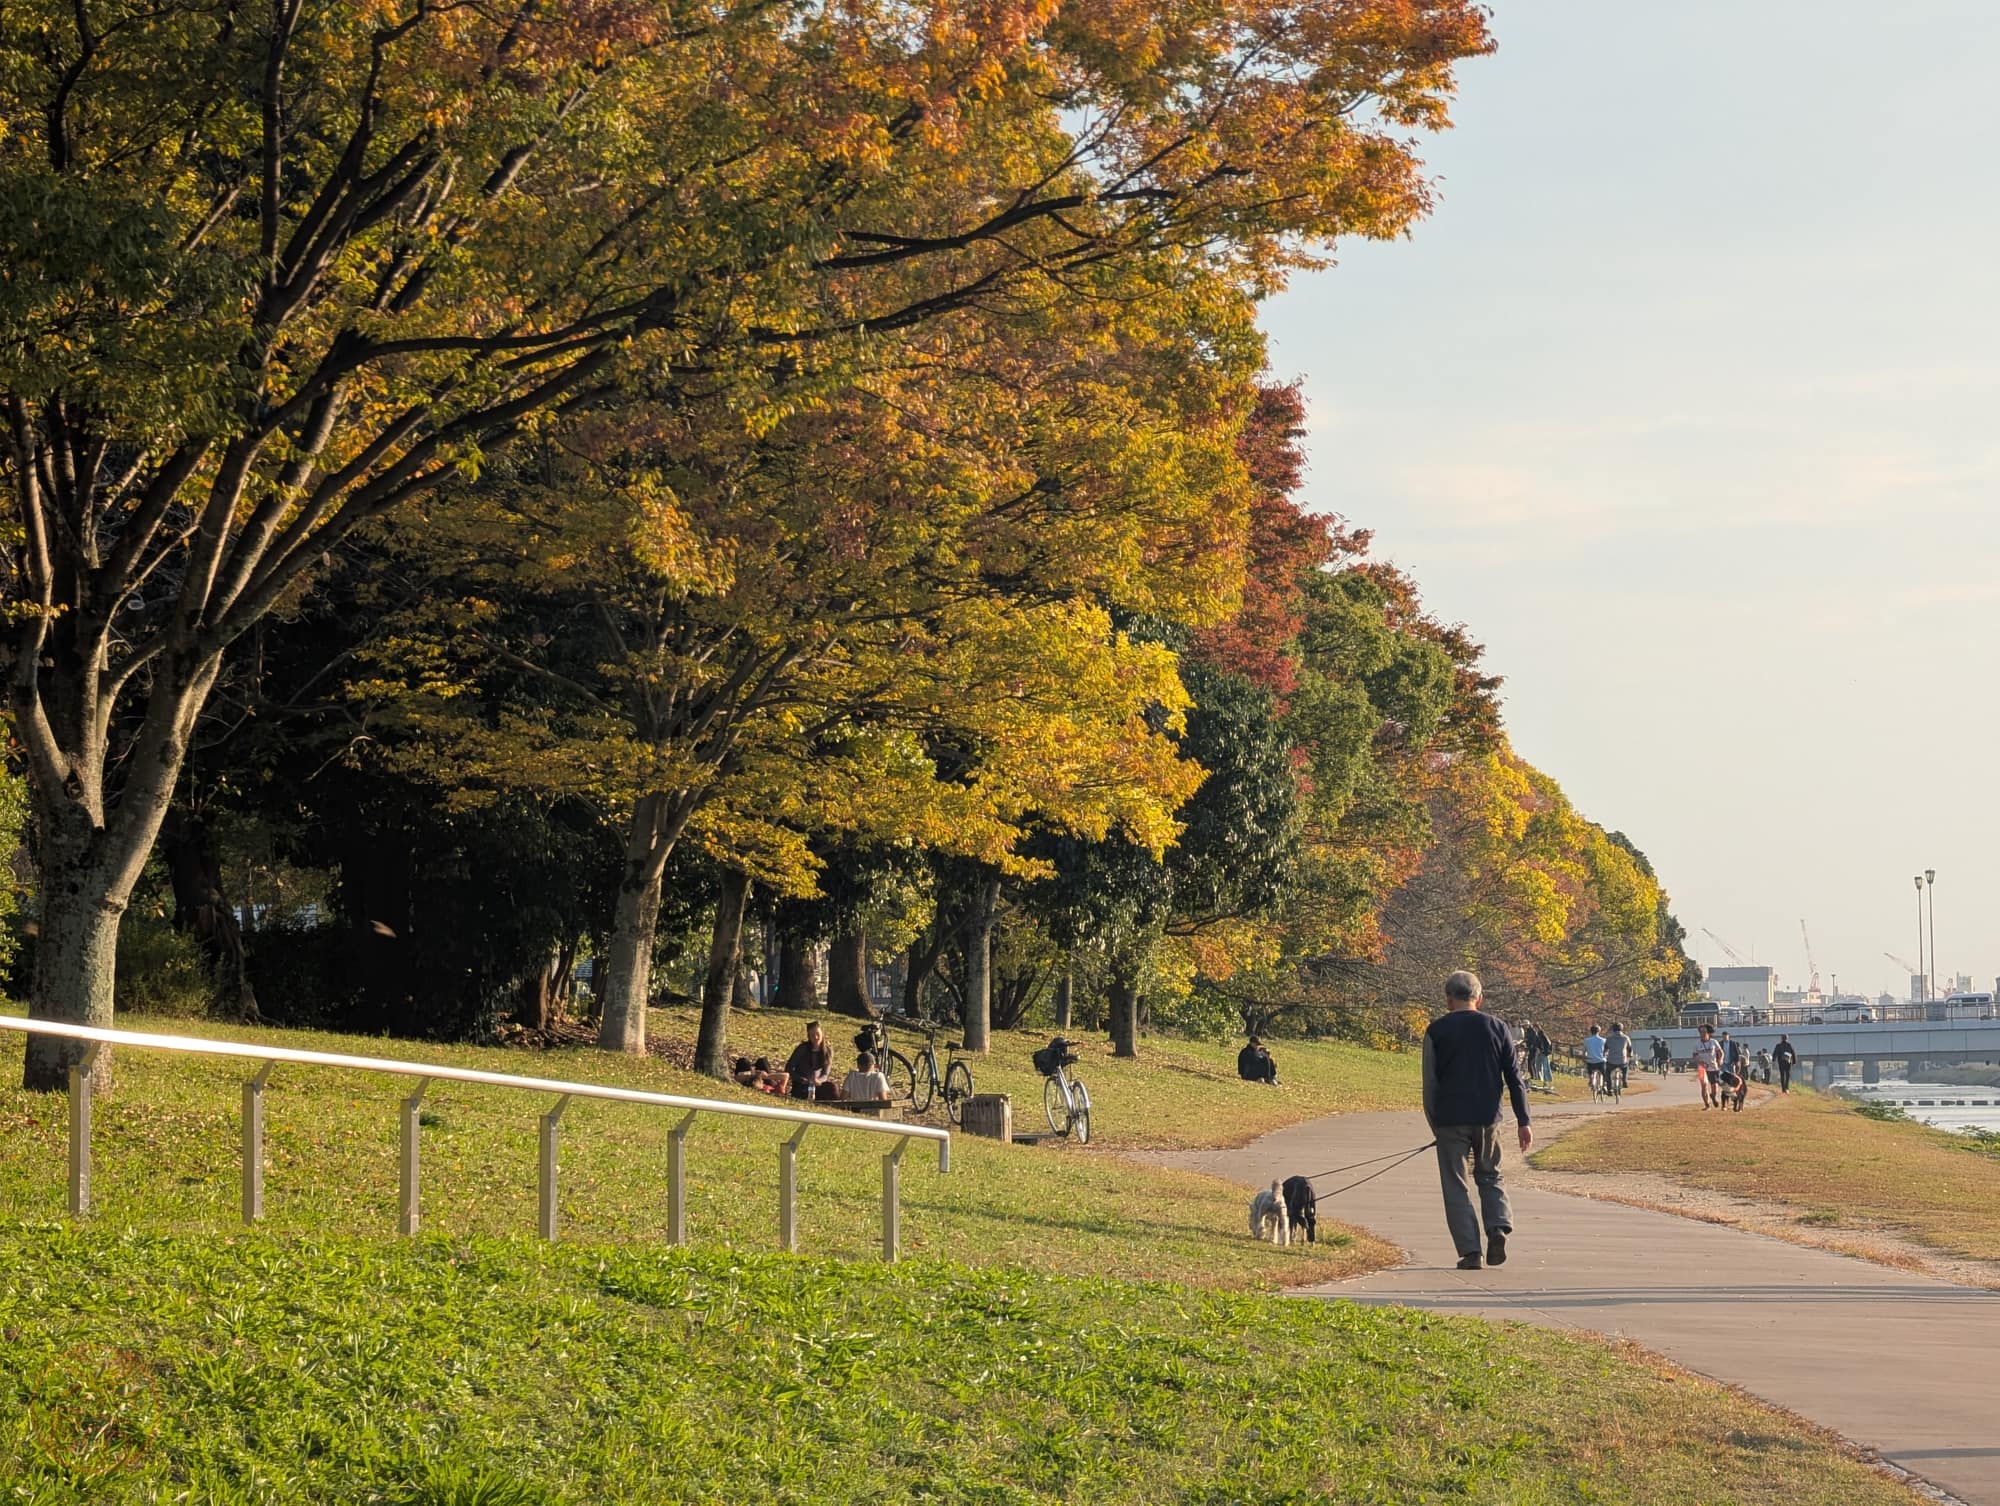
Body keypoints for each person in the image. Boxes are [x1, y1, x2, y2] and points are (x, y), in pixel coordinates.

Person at [1421, 970, 1532, 1270]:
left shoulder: (1436, 1031)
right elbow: (1515, 1078)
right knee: (1490, 1174)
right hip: (1487, 1118)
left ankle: (1471, 1252)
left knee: (1456, 1184)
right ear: (1479, 998)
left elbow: (1430, 1083)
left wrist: (1434, 1122)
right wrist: (1524, 1120)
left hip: (1449, 1118)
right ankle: (1497, 1228)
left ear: (1448, 999)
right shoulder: (1497, 1027)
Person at [785, 1021, 834, 1101]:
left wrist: (818, 1080)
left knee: (832, 1088)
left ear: (822, 1033)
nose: (815, 1037)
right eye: (812, 1035)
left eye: (817, 1034)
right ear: (808, 1036)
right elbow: (789, 1068)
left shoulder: (828, 1051)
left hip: (817, 1084)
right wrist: (802, 1080)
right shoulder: (802, 1048)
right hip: (802, 1084)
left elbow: (825, 1074)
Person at [1691, 1024, 1722, 1108]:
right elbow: (1694, 1056)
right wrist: (1699, 1062)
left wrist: (1720, 1060)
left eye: (1704, 1032)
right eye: (1701, 1032)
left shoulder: (1713, 1042)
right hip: (1702, 1067)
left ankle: (1713, 1096)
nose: (1702, 1034)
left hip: (1713, 1066)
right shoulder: (1697, 1044)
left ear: (1708, 1033)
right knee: (1704, 1085)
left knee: (1714, 1085)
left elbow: (1720, 1052)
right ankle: (1707, 1104)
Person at [1603, 1022, 1631, 1090]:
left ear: (1613, 1029)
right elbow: (1629, 1048)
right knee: (1625, 1068)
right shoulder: (1626, 1038)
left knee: (1608, 1071)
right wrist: (1629, 1056)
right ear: (1622, 1029)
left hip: (1611, 1060)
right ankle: (1624, 1080)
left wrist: (1604, 1055)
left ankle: (1609, 1086)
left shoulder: (1609, 1038)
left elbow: (1605, 1048)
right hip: (1622, 1060)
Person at [1582, 1024, 1607, 1094]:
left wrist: (1584, 1057)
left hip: (1591, 1061)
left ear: (1591, 1031)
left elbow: (1584, 1051)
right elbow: (1606, 1051)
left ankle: (1591, 1079)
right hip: (1601, 1061)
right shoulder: (1603, 1040)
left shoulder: (1586, 1040)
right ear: (1599, 1031)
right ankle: (1604, 1085)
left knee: (1590, 1070)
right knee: (1604, 1073)